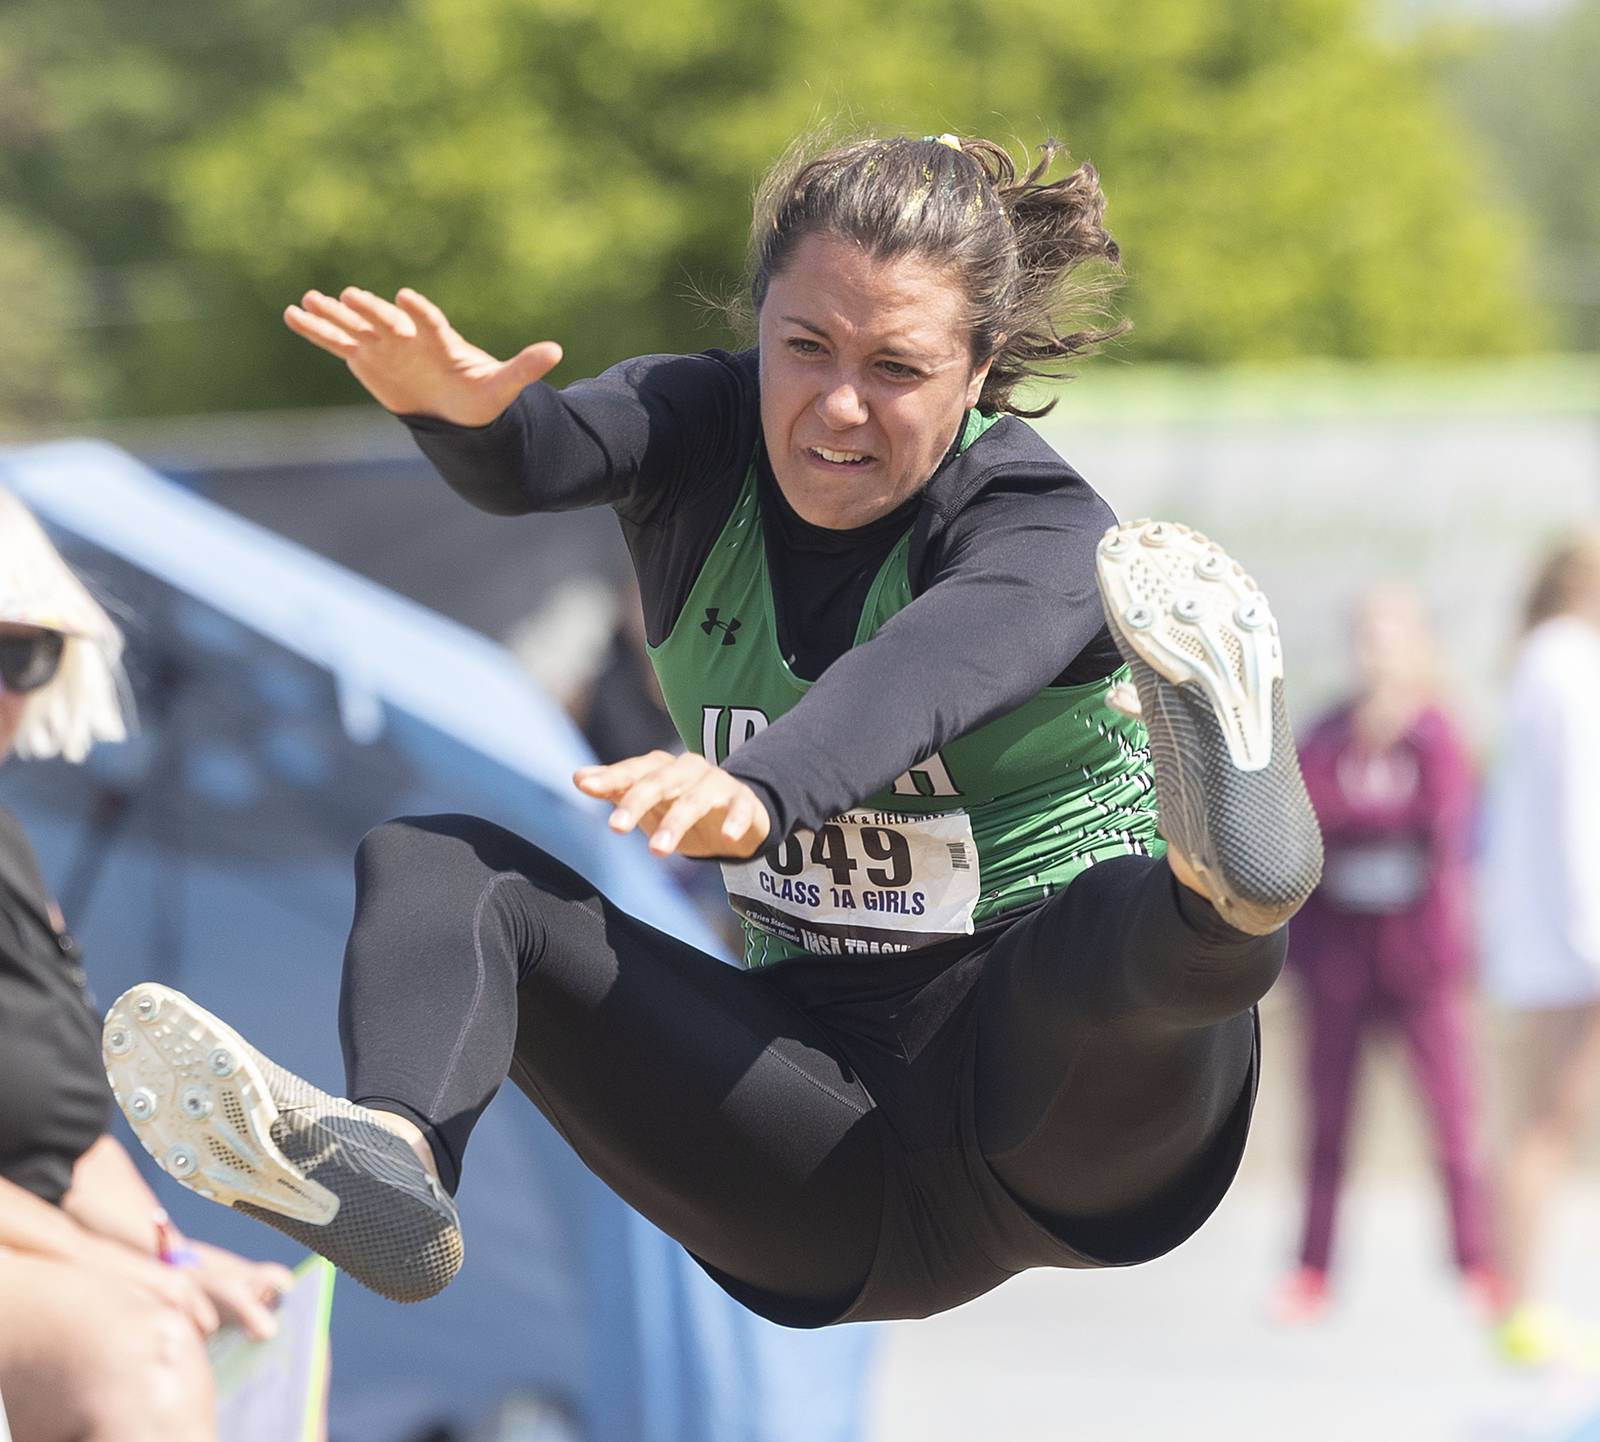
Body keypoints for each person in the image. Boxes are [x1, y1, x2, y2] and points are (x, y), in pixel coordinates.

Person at [102, 132, 1323, 1327]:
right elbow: (545, 451)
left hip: (1069, 1100)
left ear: (977, 366)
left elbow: (927, 669)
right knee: (438, 862)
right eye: (804, 347)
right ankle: (390, 1159)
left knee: (1118, 933)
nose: (838, 405)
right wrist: (469, 420)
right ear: (758, 330)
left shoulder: (1043, 526)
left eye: (895, 368)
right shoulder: (702, 426)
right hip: (822, 1157)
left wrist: (764, 785)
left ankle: (1233, 893)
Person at [0, 490, 293, 1442]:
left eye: (22, 653)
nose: (1, 684)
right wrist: (123, 1282)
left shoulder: (11, 861)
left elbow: (68, 1142)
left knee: (252, 1337)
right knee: (141, 1353)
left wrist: (178, 1262)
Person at [1270, 584, 1496, 1324]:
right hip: (1338, 957)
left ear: (1418, 644)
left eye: (1393, 635)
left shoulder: (1437, 733)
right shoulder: (1329, 733)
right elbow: (1306, 822)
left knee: (1452, 1117)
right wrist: (1367, 819)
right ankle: (1312, 1270)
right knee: (1328, 1120)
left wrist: (1362, 819)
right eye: (1367, 635)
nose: (1378, 650)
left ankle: (1478, 1263)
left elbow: (1439, 822)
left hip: (1419, 961)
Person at [1478, 531, 1600, 1365]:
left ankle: (1519, 1301)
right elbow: (1580, 811)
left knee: (1540, 1121)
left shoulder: (1540, 663)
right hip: (1571, 939)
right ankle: (1521, 1306)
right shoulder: (1570, 663)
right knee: (1548, 1124)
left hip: (1541, 935)